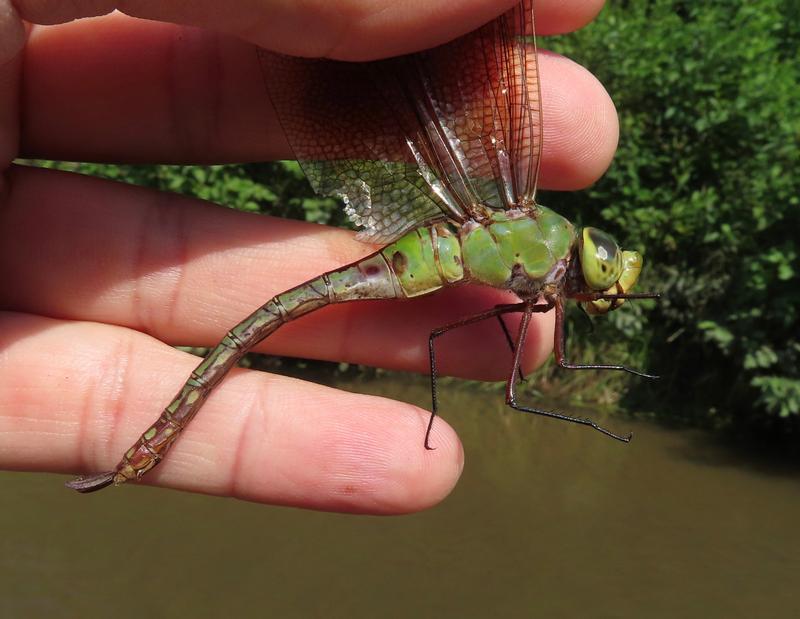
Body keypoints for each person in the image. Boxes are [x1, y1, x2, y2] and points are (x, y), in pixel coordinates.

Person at [0, 0, 617, 512]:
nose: (593, 283)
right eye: (598, 271)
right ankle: (145, 452)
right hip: (429, 245)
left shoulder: (535, 242)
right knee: (258, 327)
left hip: (438, 240)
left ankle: (143, 453)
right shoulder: (539, 250)